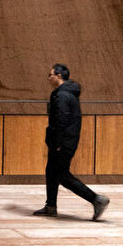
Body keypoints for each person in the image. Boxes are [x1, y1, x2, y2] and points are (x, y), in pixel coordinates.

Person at [33, 64, 109, 220]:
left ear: (59, 76)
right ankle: (50, 206)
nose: (49, 78)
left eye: (50, 74)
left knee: (62, 175)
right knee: (51, 172)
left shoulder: (62, 95)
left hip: (62, 142)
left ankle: (96, 199)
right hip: (64, 141)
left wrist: (58, 143)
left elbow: (61, 121)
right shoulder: (67, 94)